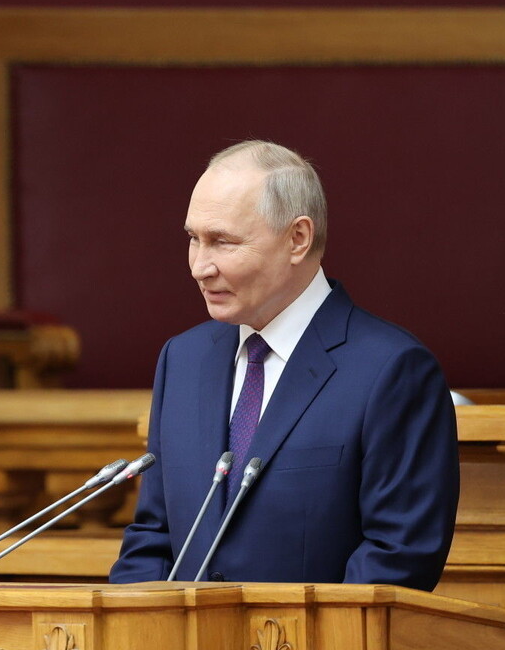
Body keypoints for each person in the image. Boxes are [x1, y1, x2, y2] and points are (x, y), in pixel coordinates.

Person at [110, 140, 459, 589]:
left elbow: (397, 560)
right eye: (193, 239)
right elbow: (153, 539)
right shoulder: (183, 359)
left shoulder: (392, 371)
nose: (199, 266)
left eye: (222, 242)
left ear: (298, 238)